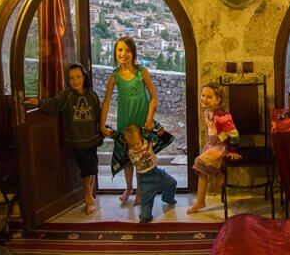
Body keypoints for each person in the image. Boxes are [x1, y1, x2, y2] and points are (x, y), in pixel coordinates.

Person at [25, 62, 102, 215]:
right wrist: (39, 102)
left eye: (78, 77)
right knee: (87, 168)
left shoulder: (92, 95)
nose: (75, 80)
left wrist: (100, 135)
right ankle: (87, 196)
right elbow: (54, 104)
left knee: (93, 167)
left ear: (84, 77)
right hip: (77, 141)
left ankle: (90, 192)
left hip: (92, 139)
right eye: (72, 78)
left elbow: (98, 117)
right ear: (68, 79)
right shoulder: (66, 95)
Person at [100, 37, 158, 206]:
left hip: (141, 121)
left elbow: (154, 97)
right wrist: (102, 125)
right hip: (125, 121)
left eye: (127, 50)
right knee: (127, 157)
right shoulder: (115, 75)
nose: (123, 54)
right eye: (119, 50)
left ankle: (140, 191)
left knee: (141, 157)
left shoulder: (141, 72)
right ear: (115, 53)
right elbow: (106, 100)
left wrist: (149, 120)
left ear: (133, 53)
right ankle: (129, 188)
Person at [187, 82, 241, 214]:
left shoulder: (221, 116)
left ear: (218, 99)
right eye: (203, 95)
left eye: (209, 97)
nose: (204, 99)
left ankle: (200, 201)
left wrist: (233, 150)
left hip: (221, 146)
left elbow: (234, 134)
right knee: (202, 170)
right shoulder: (207, 113)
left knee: (199, 164)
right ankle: (218, 177)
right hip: (211, 144)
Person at [122, 124, 177, 223]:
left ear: (141, 137)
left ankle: (168, 199)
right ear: (128, 144)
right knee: (145, 214)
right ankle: (145, 216)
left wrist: (160, 131)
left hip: (157, 173)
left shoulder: (148, 142)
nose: (136, 147)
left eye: (137, 143)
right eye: (132, 145)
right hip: (145, 181)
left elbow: (161, 138)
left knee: (172, 183)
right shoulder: (130, 152)